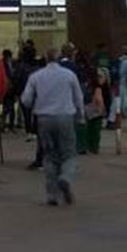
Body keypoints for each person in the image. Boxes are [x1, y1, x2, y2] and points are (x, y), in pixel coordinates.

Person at [22, 49, 85, 206]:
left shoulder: (36, 76)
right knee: (69, 153)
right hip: (65, 116)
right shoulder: (69, 75)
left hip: (44, 118)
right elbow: (78, 97)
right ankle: (65, 177)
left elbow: (26, 100)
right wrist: (81, 116)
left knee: (49, 156)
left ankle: (52, 194)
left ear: (45, 58)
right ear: (58, 58)